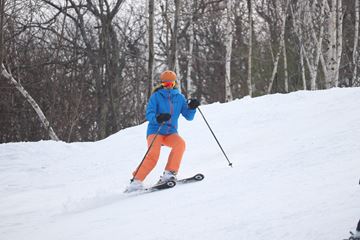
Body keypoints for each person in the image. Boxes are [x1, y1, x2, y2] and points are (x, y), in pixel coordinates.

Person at [126, 70, 200, 192]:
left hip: (171, 132)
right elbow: (149, 113)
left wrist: (192, 107)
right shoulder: (156, 96)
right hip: (155, 130)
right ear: (161, 84)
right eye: (166, 84)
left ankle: (169, 174)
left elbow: (189, 117)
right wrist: (158, 118)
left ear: (175, 84)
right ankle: (136, 181)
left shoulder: (180, 98)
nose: (168, 87)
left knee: (180, 144)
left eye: (171, 84)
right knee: (153, 156)